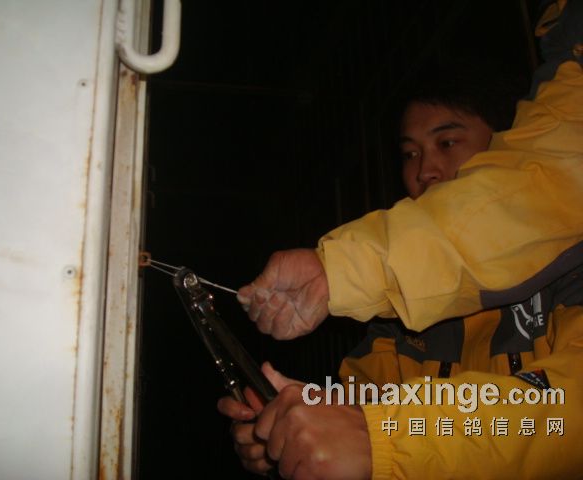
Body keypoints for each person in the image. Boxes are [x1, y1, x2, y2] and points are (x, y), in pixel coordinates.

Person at [219, 1, 583, 478]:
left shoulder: (566, 267)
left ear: (507, 145)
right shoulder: (398, 318)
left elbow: (562, 419)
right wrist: (291, 425)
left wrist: (384, 438)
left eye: (447, 142)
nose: (424, 169)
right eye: (409, 153)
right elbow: (362, 405)